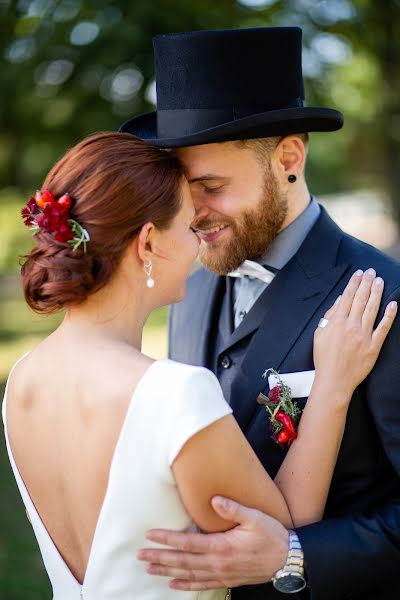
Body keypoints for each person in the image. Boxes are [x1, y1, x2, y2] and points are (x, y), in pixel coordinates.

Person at [2, 131, 395, 600]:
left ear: (289, 158)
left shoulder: (22, 380)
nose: (199, 228)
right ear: (148, 243)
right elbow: (280, 530)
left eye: (209, 187)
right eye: (187, 217)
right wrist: (331, 388)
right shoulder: (173, 388)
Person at [120, 28, 400, 599]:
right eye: (181, 189)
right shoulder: (190, 286)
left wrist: (293, 555)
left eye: (212, 187)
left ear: (289, 158)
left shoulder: (383, 296)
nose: (192, 214)